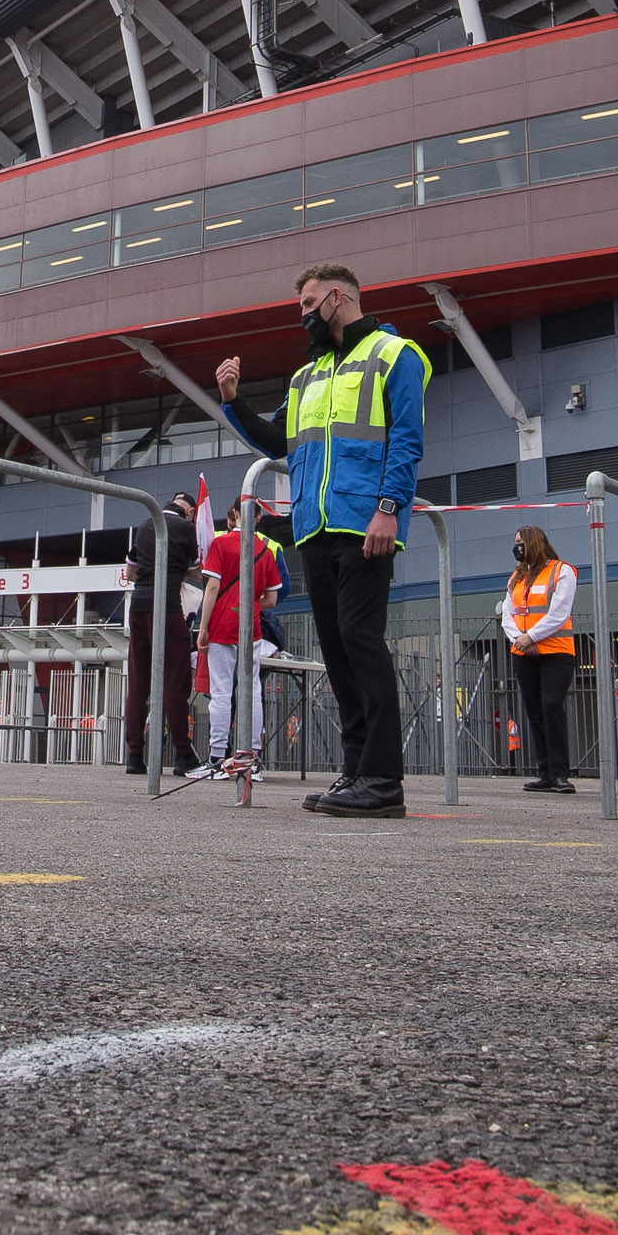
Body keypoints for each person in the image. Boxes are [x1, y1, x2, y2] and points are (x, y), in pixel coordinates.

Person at [214, 262, 426, 820]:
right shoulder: (307, 375)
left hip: (366, 524)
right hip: (315, 527)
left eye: (308, 304)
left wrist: (389, 510)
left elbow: (406, 441)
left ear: (337, 297)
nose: (303, 315)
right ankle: (357, 772)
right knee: (335, 649)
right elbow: (276, 440)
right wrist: (234, 401)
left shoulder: (394, 354)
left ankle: (383, 780)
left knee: (361, 640)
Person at [193, 499, 284, 779]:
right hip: (251, 625)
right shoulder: (265, 551)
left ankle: (217, 758)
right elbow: (271, 599)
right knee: (251, 690)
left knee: (221, 691)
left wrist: (203, 626)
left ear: (234, 514)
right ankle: (251, 759)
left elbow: (212, 587)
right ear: (258, 518)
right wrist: (251, 602)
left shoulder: (220, 545)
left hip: (222, 622)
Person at [119, 494, 200, 778]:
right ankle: (182, 754)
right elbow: (198, 568)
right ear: (189, 512)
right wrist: (181, 573)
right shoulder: (187, 529)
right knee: (175, 680)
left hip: (138, 607)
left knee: (139, 682)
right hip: (166, 607)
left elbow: (130, 572)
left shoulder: (144, 525)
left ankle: (134, 755)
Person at [499, 525, 579, 795]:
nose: (517, 546)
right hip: (524, 652)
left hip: (555, 651)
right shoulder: (516, 577)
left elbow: (559, 613)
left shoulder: (562, 571)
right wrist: (520, 639)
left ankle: (560, 774)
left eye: (520, 541)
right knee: (534, 711)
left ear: (533, 542)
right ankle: (544, 772)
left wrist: (530, 637)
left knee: (551, 706)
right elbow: (507, 615)